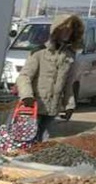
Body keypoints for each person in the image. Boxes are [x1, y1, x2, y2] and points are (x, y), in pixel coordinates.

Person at [16, 14, 84, 142]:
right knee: (26, 139)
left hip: (52, 109)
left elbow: (69, 83)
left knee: (41, 140)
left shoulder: (70, 56)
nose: (66, 32)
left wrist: (69, 105)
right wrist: (27, 96)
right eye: (64, 29)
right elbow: (24, 76)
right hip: (34, 106)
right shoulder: (39, 53)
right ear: (56, 30)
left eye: (70, 30)